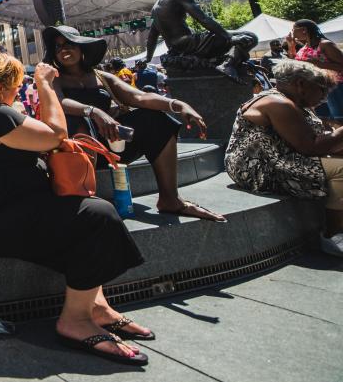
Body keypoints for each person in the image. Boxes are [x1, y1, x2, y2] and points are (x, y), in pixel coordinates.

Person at [0, 49, 148, 365]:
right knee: (98, 216)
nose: (16, 93)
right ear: (0, 88)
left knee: (78, 214)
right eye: (14, 86)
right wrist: (45, 85)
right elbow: (55, 134)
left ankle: (98, 306)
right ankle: (75, 321)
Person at [43, 26, 224, 222]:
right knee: (77, 121)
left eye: (68, 44)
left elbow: (139, 97)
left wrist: (177, 104)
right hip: (78, 151)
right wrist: (94, 112)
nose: (63, 49)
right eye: (58, 46)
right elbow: (59, 102)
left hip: (113, 145)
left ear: (81, 47)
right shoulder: (54, 80)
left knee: (156, 119)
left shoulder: (102, 76)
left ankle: (170, 199)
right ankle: (83, 201)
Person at [225, 59, 343, 256]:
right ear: (301, 84)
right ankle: (333, 235)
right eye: (322, 90)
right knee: (341, 169)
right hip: (259, 167)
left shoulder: (294, 102)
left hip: (284, 158)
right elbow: (310, 147)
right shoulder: (277, 103)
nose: (325, 97)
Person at [285, 19, 343, 120]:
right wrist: (291, 45)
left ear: (304, 30)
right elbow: (294, 62)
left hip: (334, 87)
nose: (292, 32)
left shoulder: (325, 44)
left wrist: (319, 64)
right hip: (314, 88)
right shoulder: (305, 47)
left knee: (339, 119)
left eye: (294, 29)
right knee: (325, 119)